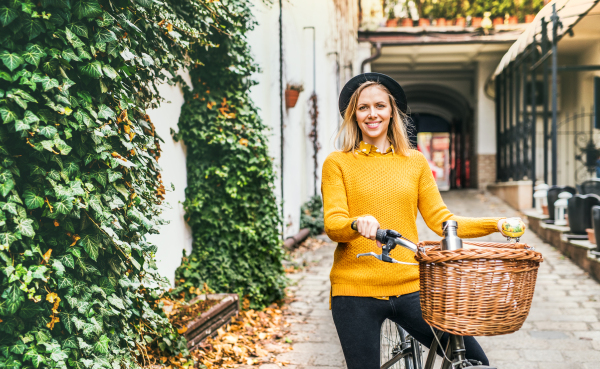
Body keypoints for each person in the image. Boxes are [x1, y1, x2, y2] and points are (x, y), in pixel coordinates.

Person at [321, 73, 512, 368]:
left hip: (411, 285)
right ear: (354, 116)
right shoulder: (338, 163)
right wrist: (356, 222)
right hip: (354, 290)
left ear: (391, 111)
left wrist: (496, 224)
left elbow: (441, 220)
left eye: (380, 106)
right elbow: (334, 223)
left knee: (474, 359)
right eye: (363, 108)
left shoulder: (416, 161)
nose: (372, 114)